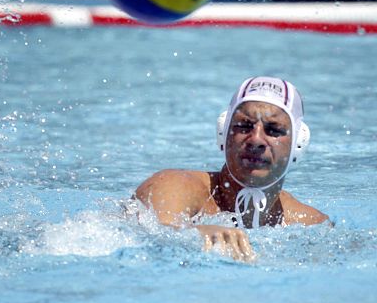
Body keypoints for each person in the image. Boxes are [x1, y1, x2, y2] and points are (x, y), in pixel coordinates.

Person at [134, 76, 328, 261]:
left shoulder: (311, 223)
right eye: (244, 126)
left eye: (274, 130)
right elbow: (158, 232)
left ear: (298, 144)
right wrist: (193, 235)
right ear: (223, 134)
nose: (257, 140)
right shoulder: (175, 185)